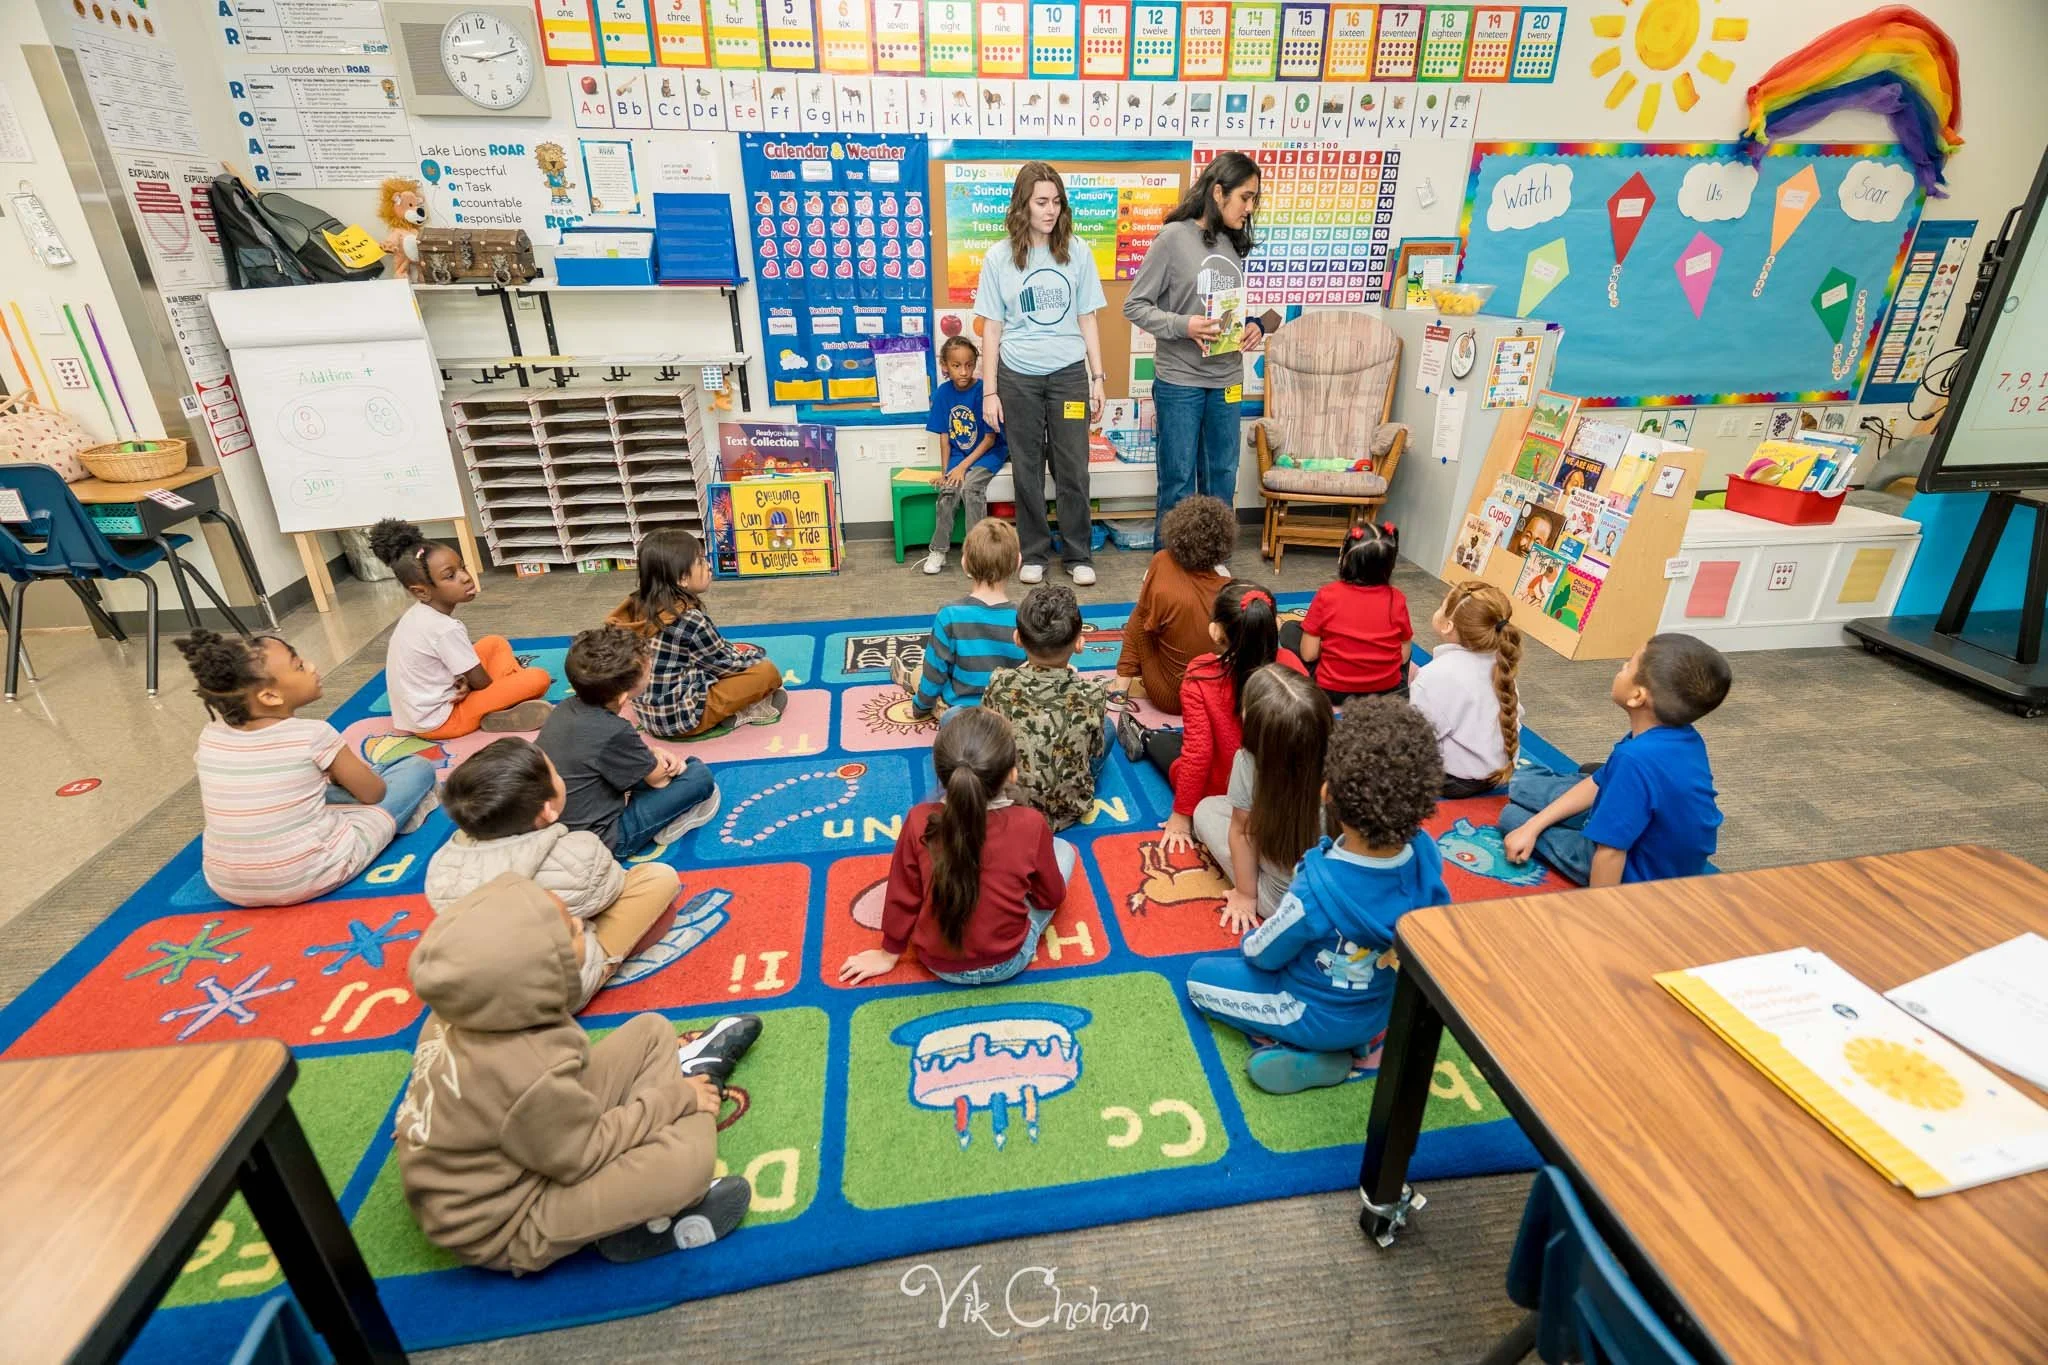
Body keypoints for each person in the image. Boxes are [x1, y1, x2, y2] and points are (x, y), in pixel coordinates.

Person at [395, 873, 759, 1272]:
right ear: (532, 975)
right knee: (687, 1167)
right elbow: (584, 1154)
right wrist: (678, 1098)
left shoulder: (465, 1005)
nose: (585, 930)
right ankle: (696, 1086)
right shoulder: (526, 1071)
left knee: (651, 1030)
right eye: (570, 932)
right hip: (511, 1221)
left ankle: (677, 1096)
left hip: (528, 1147)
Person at [1185, 699, 1449, 1094]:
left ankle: (1319, 1055)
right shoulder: (1426, 853)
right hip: (1379, 1008)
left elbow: (1263, 953)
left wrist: (1252, 942)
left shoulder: (1316, 883)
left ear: (1327, 792)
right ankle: (1355, 1040)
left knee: (1198, 981)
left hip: (1307, 1011)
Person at [180, 629, 438, 907]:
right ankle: (395, 819)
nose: (312, 666)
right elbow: (374, 794)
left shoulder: (210, 735)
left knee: (297, 789)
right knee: (415, 768)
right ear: (270, 696)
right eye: (299, 666)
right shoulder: (314, 734)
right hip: (313, 873)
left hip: (226, 884)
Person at [426, 738, 689, 1007]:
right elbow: (611, 891)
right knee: (659, 878)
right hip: (555, 990)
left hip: (479, 987)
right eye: (556, 774)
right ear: (548, 810)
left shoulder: (441, 862)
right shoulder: (577, 852)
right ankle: (604, 968)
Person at [837, 709, 1077, 987]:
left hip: (937, 963)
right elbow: (1050, 896)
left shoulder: (918, 820)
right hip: (1009, 959)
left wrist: (888, 954)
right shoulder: (1031, 824)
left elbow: (903, 895)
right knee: (1064, 850)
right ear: (1012, 774)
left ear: (941, 774)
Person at [1499, 633, 1730, 887]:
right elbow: (1601, 780)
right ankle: (1567, 811)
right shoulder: (1677, 735)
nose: (1621, 668)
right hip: (1660, 845)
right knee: (1524, 786)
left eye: (1628, 665)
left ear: (1638, 697)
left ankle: (1571, 817)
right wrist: (1534, 826)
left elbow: (1610, 853)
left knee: (1511, 816)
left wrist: (1604, 914)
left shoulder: (1634, 759)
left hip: (1639, 875)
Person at [974, 161, 1108, 587]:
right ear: (1023, 205)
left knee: (1073, 466)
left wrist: (1098, 377)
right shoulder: (999, 258)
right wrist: (989, 393)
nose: (1050, 211)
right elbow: (992, 328)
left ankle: (1077, 553)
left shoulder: (1078, 250)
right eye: (1041, 202)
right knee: (1026, 469)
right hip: (1018, 377)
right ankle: (1033, 552)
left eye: (1056, 202)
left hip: (1068, 373)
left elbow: (1087, 317)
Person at [1123, 150, 1263, 536]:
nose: (1249, 208)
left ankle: (1215, 563)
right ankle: (1170, 567)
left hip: (1228, 378)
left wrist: (1251, 325)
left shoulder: (1234, 242)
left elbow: (1222, 305)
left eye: (1253, 199)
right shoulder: (1172, 238)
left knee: (1222, 476)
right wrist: (1185, 326)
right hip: (1180, 381)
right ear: (1218, 193)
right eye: (1245, 198)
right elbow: (1134, 305)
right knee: (1178, 482)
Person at [1120, 582, 1307, 854]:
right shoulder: (1291, 663)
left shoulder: (1202, 673)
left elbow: (1198, 753)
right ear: (1274, 624)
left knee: (1169, 746)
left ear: (1216, 630)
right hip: (1284, 795)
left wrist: (1182, 815)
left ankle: (1146, 737)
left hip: (1225, 791)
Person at [537, 625, 720, 857]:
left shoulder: (563, 709)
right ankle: (665, 822)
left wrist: (651, 754)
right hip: (602, 842)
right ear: (624, 696)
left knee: (646, 769)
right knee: (699, 775)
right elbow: (659, 782)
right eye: (647, 671)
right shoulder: (614, 730)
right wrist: (673, 762)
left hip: (555, 826)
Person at [371, 518, 553, 738]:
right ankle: (503, 706)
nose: (466, 578)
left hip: (421, 713)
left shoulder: (418, 616)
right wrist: (471, 683)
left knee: (494, 643)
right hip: (443, 721)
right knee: (538, 678)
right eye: (450, 576)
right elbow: (482, 683)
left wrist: (465, 681)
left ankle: (501, 706)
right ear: (421, 591)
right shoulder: (444, 628)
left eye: (462, 568)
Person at [607, 529, 785, 738]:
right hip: (682, 719)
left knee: (726, 655)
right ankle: (732, 714)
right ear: (682, 578)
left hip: (647, 714)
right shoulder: (689, 620)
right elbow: (727, 665)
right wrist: (755, 655)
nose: (708, 565)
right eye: (700, 561)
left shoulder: (637, 606)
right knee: (766, 672)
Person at [1193, 664, 1330, 932]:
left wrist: (1246, 895)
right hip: (1334, 888)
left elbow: (1243, 832)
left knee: (1206, 810)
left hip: (1279, 897)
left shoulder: (1248, 761)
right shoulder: (1341, 753)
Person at [981, 584, 1116, 830]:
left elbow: (986, 735)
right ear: (1079, 644)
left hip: (1009, 804)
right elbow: (1094, 750)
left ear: (1017, 639)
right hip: (1067, 810)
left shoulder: (999, 681)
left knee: (956, 719)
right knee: (1107, 726)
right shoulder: (1093, 694)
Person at [890, 518, 1026, 720]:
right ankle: (912, 677)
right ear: (1018, 562)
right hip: (1005, 715)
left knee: (927, 673)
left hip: (960, 713)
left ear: (965, 563)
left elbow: (935, 672)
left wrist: (920, 707)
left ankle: (911, 677)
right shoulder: (1024, 618)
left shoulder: (950, 616)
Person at [1111, 494, 1235, 714]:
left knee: (1141, 617)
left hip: (1169, 697)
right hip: (1211, 696)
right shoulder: (1230, 588)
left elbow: (1145, 622)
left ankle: (1119, 688)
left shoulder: (1163, 561)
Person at [1410, 581, 1523, 799]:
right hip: (1497, 772)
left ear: (1448, 625)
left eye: (1442, 606)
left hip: (1453, 781)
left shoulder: (1435, 675)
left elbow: (1419, 741)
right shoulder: (1501, 664)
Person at [1290, 521, 1412, 707]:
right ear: (1390, 564)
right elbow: (1403, 656)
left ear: (1345, 559)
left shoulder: (1327, 595)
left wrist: (1332, 645)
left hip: (1333, 692)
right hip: (1387, 691)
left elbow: (1308, 655)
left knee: (1290, 630)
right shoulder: (1397, 598)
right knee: (1404, 641)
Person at [920, 334, 1008, 576]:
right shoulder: (942, 394)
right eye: (956, 366)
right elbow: (945, 438)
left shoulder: (984, 391)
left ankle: (976, 555)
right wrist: (946, 470)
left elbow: (990, 439)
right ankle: (938, 550)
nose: (964, 372)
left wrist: (963, 468)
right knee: (948, 492)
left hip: (988, 453)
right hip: (960, 454)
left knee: (971, 489)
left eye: (969, 365)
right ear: (945, 367)